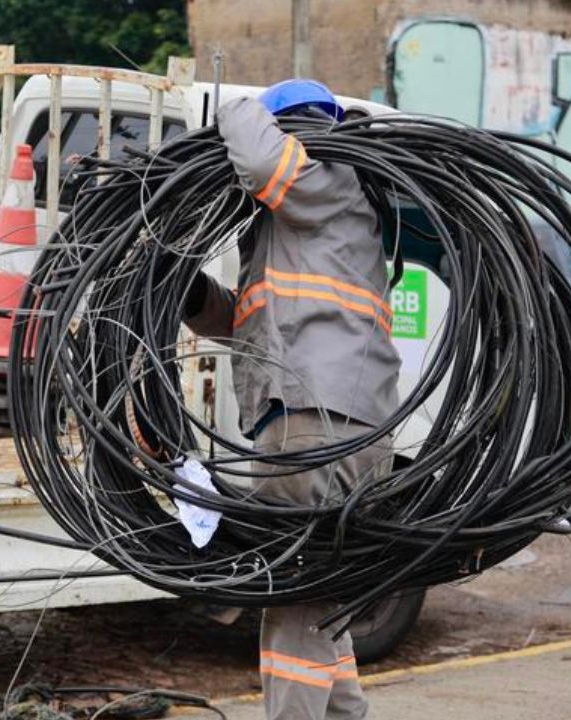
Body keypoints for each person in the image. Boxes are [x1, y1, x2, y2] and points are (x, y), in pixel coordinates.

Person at [182, 79, 401, 720]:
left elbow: (255, 157)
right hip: (323, 418)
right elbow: (248, 324)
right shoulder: (298, 224)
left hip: (319, 421)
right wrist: (191, 296)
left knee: (293, 597)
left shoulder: (329, 177)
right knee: (316, 596)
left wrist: (227, 107)